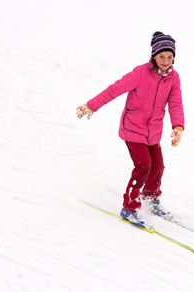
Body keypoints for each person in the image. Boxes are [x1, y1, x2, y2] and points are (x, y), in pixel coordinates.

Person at [76, 31, 185, 227]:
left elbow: (176, 103)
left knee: (158, 166)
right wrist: (92, 105)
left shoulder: (173, 78)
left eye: (170, 57)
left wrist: (178, 126)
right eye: (162, 56)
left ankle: (151, 199)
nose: (166, 61)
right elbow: (114, 89)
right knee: (144, 166)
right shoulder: (140, 73)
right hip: (133, 128)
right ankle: (129, 207)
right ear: (153, 56)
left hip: (152, 132)